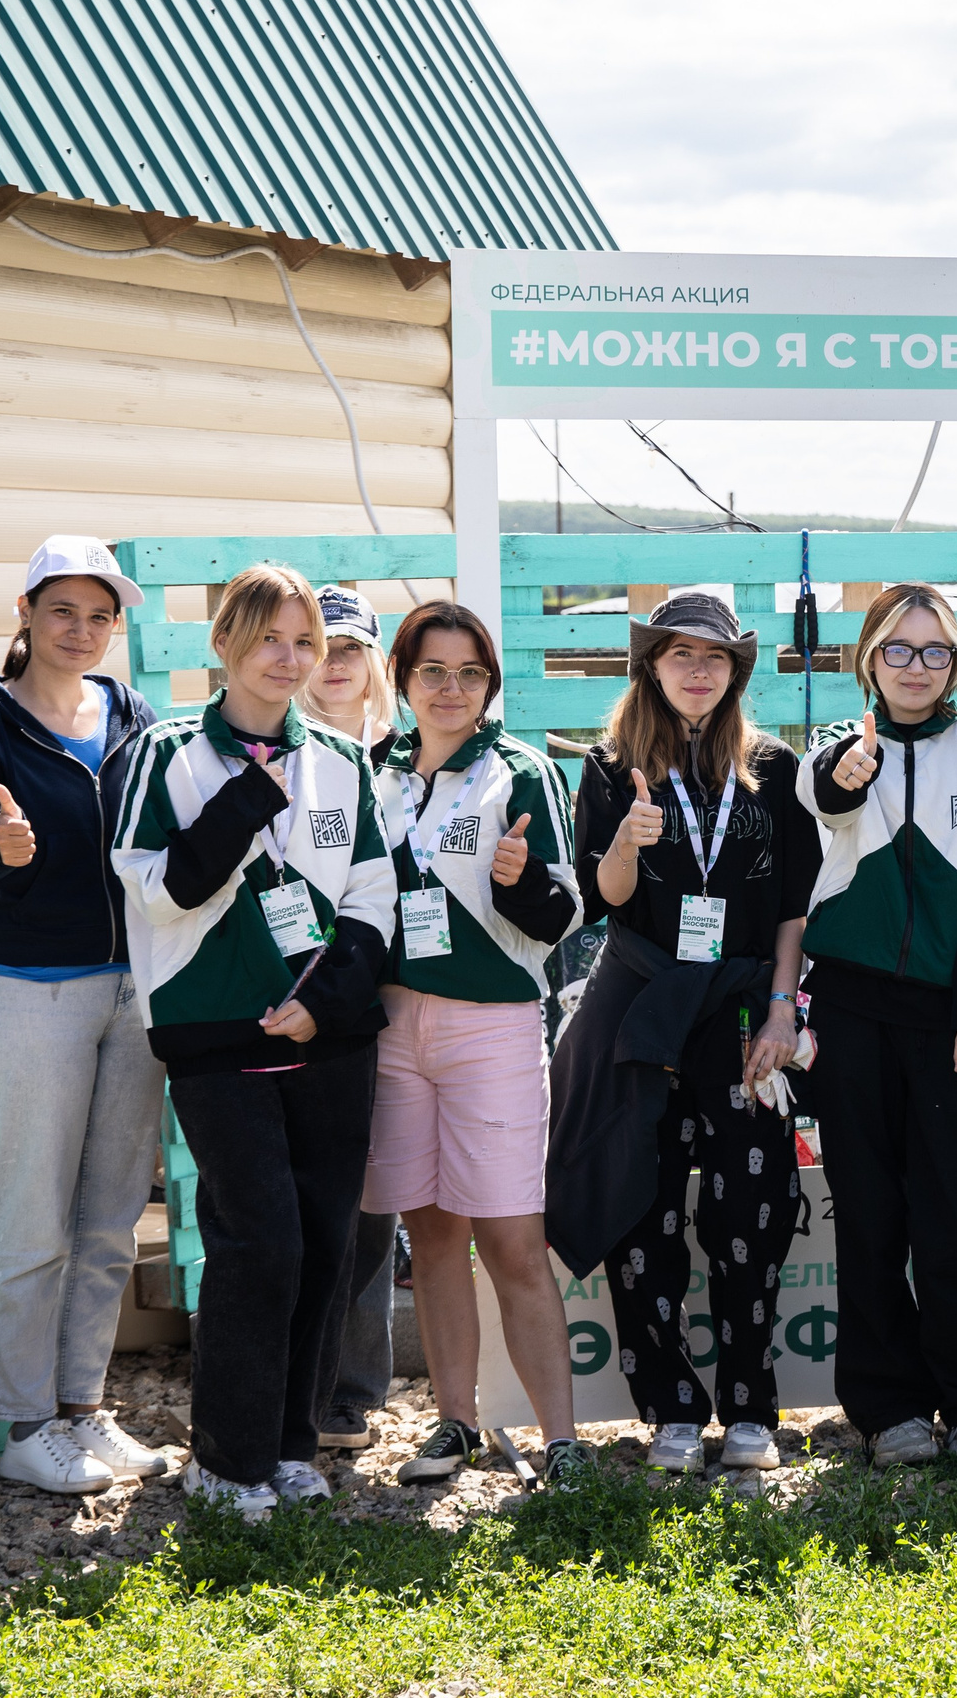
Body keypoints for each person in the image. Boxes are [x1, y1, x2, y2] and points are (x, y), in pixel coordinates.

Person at [113, 562, 395, 1520]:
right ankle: (225, 1461)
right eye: (270, 638)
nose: (290, 658)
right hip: (213, 1033)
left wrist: (327, 1001)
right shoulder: (166, 753)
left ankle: (289, 1445)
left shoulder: (344, 761)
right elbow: (158, 891)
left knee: (325, 1242)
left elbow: (371, 901)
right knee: (259, 1238)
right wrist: (245, 800)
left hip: (326, 1032)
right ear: (225, 643)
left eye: (305, 641)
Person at [548, 593, 819, 1476]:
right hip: (643, 1004)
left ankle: (748, 1407)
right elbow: (607, 898)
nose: (697, 670)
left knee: (751, 1205)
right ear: (651, 666)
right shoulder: (608, 765)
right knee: (643, 1207)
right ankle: (667, 1408)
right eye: (679, 654)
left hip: (741, 1007)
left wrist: (784, 1010)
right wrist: (626, 838)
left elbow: (790, 911)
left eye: (714, 656)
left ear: (735, 670)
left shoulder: (773, 769)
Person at [0, 535, 168, 1495]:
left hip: (130, 989)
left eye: (100, 615)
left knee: (111, 1214)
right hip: (30, 989)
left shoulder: (131, 713)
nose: (81, 630)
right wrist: (1, 842)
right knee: (33, 1217)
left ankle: (81, 1408)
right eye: (62, 610)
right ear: (24, 611)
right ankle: (25, 1424)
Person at [796, 585, 957, 1464]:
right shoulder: (832, 749)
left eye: (935, 652)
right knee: (868, 1216)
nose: (916, 667)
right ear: (869, 658)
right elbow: (821, 796)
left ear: (956, 663)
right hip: (853, 1014)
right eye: (899, 649)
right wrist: (844, 774)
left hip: (954, 1024)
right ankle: (888, 1408)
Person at [362, 601, 592, 1489]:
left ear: (490, 683)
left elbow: (564, 913)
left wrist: (522, 879)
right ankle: (455, 1421)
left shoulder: (519, 772)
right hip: (391, 1024)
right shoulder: (373, 770)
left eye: (468, 673)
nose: (450, 689)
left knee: (511, 1239)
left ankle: (560, 1438)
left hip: (490, 1022)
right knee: (431, 1226)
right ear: (404, 678)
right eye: (432, 671)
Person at [303, 583, 402, 1454]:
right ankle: (289, 1375)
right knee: (283, 1201)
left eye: (350, 649)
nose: (335, 664)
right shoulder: (280, 752)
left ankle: (354, 1386)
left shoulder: (407, 757)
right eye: (320, 646)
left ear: (375, 661)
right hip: (291, 1001)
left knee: (372, 1204)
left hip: (391, 1003)